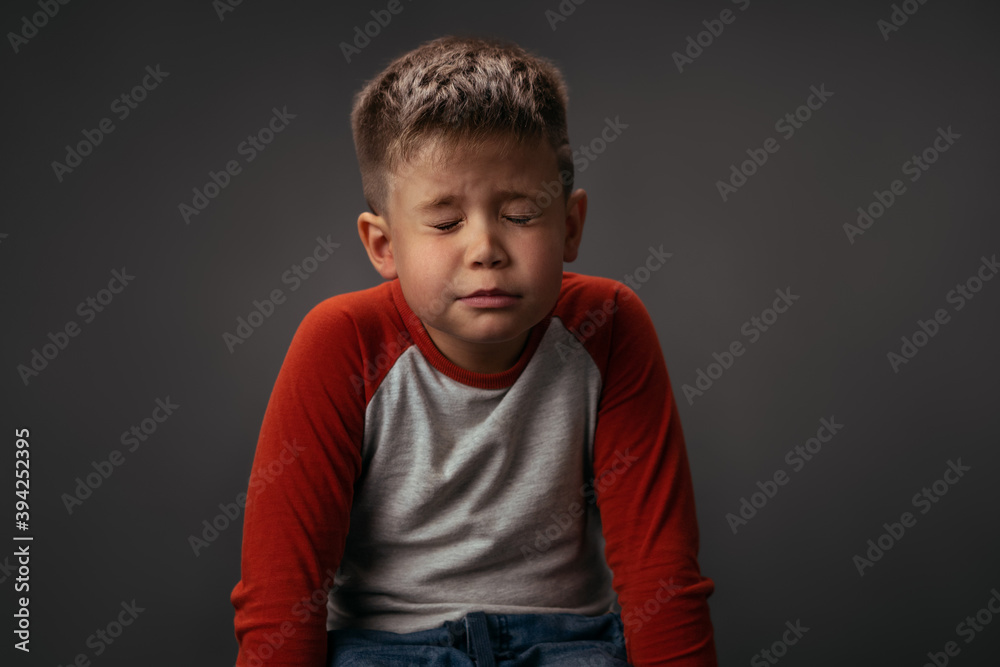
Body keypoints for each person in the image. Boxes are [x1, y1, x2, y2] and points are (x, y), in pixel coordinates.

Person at [230, 34, 717, 666]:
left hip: (568, 643)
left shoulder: (609, 325)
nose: (485, 247)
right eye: (444, 222)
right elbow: (281, 593)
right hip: (387, 649)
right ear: (383, 245)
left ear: (570, 226)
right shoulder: (341, 342)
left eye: (519, 213)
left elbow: (662, 576)